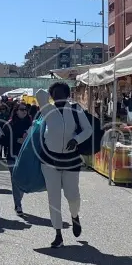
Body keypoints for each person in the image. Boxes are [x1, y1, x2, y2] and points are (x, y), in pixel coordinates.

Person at [37, 82, 91, 247]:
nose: (58, 96)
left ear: (68, 95)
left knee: (72, 195)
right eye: (55, 94)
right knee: (54, 197)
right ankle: (58, 233)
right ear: (51, 96)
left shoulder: (75, 109)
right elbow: (39, 93)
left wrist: (76, 139)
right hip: (49, 160)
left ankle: (75, 216)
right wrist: (49, 93)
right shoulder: (47, 109)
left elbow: (88, 129)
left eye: (62, 93)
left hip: (71, 159)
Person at [6, 101, 34, 216]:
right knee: (15, 180)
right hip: (12, 156)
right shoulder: (9, 124)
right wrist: (17, 140)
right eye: (21, 109)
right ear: (16, 111)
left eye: (25, 109)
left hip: (26, 156)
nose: (24, 111)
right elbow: (3, 140)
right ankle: (18, 205)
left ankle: (18, 201)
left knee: (23, 180)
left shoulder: (30, 124)